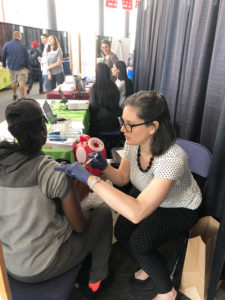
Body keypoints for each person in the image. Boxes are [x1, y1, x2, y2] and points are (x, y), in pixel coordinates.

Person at [55, 91, 202, 300]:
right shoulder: (133, 143)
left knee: (140, 242)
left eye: (130, 125)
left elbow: (137, 212)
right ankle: (150, 262)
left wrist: (90, 179)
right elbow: (123, 177)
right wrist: (103, 167)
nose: (123, 130)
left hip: (180, 207)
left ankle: (167, 291)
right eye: (122, 122)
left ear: (153, 127)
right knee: (123, 231)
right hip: (148, 198)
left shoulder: (172, 159)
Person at [0, 98, 113, 299]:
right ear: (43, 131)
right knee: (102, 212)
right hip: (43, 264)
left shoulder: (3, 162)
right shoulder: (52, 172)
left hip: (9, 263)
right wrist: (85, 209)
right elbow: (79, 226)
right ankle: (97, 279)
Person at [89, 62, 122, 138]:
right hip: (115, 121)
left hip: (101, 123)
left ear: (97, 74)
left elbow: (94, 107)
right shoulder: (114, 86)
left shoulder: (94, 89)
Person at [1, 31, 29, 100]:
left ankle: (14, 95)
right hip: (21, 67)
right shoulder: (23, 46)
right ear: (19, 36)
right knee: (22, 82)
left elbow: (3, 55)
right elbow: (27, 57)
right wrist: (28, 67)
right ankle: (22, 97)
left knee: (13, 81)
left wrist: (4, 64)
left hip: (11, 67)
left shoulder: (7, 44)